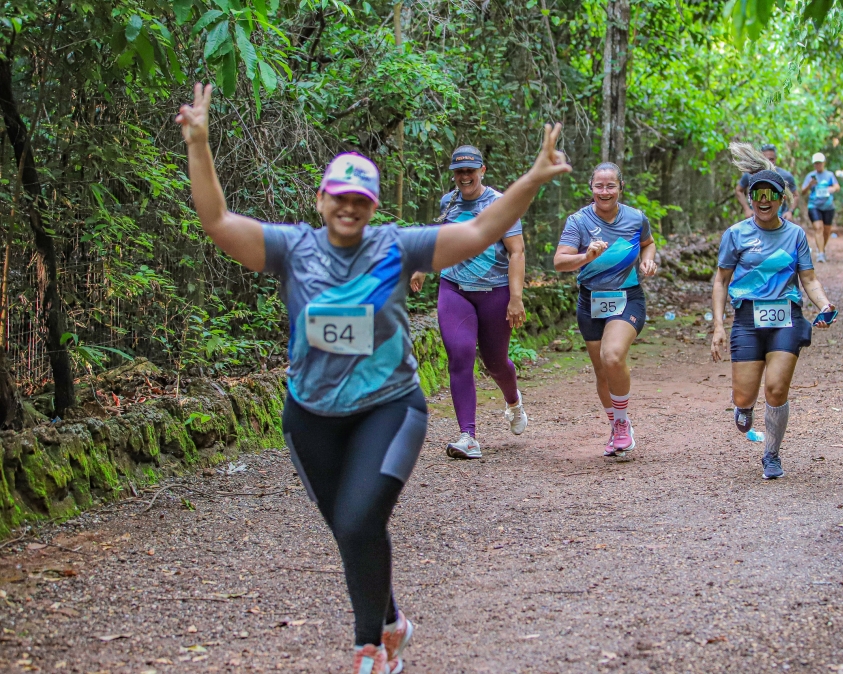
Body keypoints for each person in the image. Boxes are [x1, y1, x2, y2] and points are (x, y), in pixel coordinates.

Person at [174, 83, 571, 674]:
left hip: (389, 407)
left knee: (361, 519)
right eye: (340, 197)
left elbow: (483, 231)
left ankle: (372, 649)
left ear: (374, 204)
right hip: (310, 415)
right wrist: (199, 143)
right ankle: (392, 621)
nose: (349, 208)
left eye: (360, 199)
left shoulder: (398, 247)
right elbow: (217, 220)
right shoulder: (291, 249)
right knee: (349, 528)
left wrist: (533, 179)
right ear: (321, 199)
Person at [712, 144, 836, 480]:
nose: (764, 200)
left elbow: (808, 279)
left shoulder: (795, 235)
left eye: (771, 195)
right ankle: (744, 407)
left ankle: (772, 454)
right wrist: (718, 326)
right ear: (751, 198)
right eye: (758, 194)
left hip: (786, 316)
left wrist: (824, 304)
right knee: (744, 396)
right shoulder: (736, 234)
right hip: (748, 319)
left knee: (777, 390)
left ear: (782, 199)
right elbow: (721, 280)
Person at [409, 146, 528, 460]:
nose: (465, 177)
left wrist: (516, 298)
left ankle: (513, 401)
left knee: (495, 362)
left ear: (482, 171)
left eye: (470, 171)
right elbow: (441, 240)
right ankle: (468, 436)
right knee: (460, 355)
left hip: (495, 292)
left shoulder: (501, 204)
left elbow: (516, 251)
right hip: (454, 289)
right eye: (459, 172)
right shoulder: (448, 202)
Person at [554, 163, 657, 458]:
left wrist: (648, 260)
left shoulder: (635, 218)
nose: (604, 191)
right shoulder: (578, 221)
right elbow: (559, 262)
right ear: (591, 188)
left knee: (612, 356)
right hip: (590, 301)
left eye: (610, 185)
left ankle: (622, 424)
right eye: (599, 186)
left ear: (620, 187)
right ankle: (616, 426)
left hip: (627, 298)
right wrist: (586, 256)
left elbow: (648, 243)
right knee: (602, 371)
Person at [736, 144, 798, 221]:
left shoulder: (786, 176)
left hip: (781, 218)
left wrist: (790, 212)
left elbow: (796, 195)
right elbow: (739, 190)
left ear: (776, 158)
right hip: (755, 219)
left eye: (771, 159)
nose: (769, 162)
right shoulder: (750, 174)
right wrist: (747, 209)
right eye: (766, 159)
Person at [799, 153, 840, 263]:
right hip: (814, 206)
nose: (818, 165)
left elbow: (837, 186)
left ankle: (821, 248)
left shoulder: (829, 175)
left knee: (826, 231)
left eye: (820, 163)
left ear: (823, 163)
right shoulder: (810, 176)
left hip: (828, 206)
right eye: (816, 163)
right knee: (818, 228)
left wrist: (832, 189)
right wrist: (810, 184)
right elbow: (803, 191)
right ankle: (821, 254)